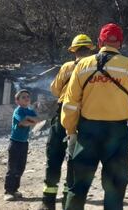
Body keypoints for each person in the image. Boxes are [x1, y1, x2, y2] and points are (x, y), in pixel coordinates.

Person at [61, 23, 128, 210]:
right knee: (115, 188)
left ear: (100, 41)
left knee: (78, 186)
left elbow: (70, 103)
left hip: (87, 132)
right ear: (120, 43)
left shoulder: (83, 65)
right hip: (116, 133)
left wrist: (71, 131)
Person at [40, 34, 95, 209]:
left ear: (74, 51)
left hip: (63, 114)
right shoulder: (94, 67)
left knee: (54, 155)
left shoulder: (67, 67)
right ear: (90, 49)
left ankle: (48, 202)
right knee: (75, 158)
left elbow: (55, 90)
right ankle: (67, 201)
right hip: (83, 116)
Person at [4, 89, 40, 201]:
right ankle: (8, 192)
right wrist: (31, 121)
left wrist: (30, 120)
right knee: (12, 168)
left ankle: (15, 190)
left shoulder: (29, 111)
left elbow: (38, 120)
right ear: (17, 101)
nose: (26, 98)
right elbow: (23, 123)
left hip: (24, 143)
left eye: (27, 97)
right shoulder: (18, 111)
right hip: (15, 143)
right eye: (23, 97)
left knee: (20, 167)